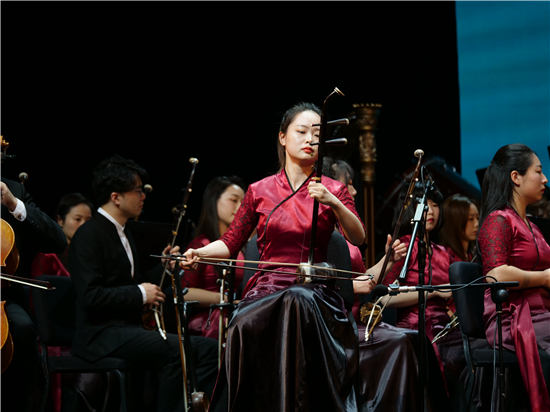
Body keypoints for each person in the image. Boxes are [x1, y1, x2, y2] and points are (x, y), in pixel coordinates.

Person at [182, 102, 366, 411]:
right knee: (241, 322)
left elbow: (357, 237)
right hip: (266, 287)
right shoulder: (259, 190)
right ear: (282, 137)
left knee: (298, 299)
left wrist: (333, 201)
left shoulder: (333, 188)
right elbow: (230, 243)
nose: (310, 139)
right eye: (302, 131)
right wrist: (199, 253)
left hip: (316, 291)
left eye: (317, 135)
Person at [68, 155, 218, 412]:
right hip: (99, 334)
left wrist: (165, 265)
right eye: (138, 191)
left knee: (206, 348)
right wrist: (140, 293)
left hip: (124, 329)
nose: (143, 196)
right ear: (116, 197)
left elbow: (129, 282)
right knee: (184, 352)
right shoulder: (89, 234)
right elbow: (91, 297)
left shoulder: (122, 231)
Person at [380, 181, 472, 411]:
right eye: (424, 205)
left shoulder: (443, 253)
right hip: (416, 328)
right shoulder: (404, 248)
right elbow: (385, 298)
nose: (430, 210)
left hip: (445, 327)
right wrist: (431, 293)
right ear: (412, 208)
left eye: (434, 204)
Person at [477, 143, 550, 411]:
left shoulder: (532, 225)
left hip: (542, 311)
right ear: (515, 177)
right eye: (538, 171)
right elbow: (496, 274)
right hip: (513, 317)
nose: (544, 179)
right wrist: (543, 278)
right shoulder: (499, 220)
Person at [1, 176, 68, 412]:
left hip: (4, 297)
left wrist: (13, 204)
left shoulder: (13, 189)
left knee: (20, 328)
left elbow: (58, 241)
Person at [182, 176, 247, 340]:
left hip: (238, 315)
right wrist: (225, 299)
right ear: (214, 202)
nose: (240, 207)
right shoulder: (201, 245)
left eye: (243, 202)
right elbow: (184, 292)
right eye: (233, 200)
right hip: (211, 321)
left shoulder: (245, 247)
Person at [31, 192, 93, 278]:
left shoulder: (92, 255)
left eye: (88, 220)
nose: (84, 225)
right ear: (60, 220)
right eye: (78, 219)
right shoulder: (48, 257)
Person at [439, 194, 480, 263]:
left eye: (478, 218)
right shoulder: (445, 257)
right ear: (456, 221)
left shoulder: (474, 255)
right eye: (471, 219)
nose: (477, 224)